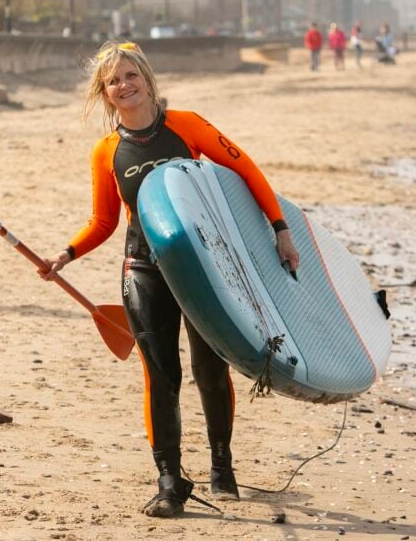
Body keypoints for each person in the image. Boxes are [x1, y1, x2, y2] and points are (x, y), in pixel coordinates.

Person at [41, 42, 300, 518]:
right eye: (114, 80)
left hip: (203, 270)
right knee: (161, 375)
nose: (125, 85)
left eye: (131, 75)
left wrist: (280, 230)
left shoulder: (187, 125)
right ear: (105, 92)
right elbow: (104, 222)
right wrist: (67, 253)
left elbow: (245, 169)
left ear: (146, 78)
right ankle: (169, 479)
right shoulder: (107, 152)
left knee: (209, 368)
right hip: (143, 266)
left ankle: (222, 467)